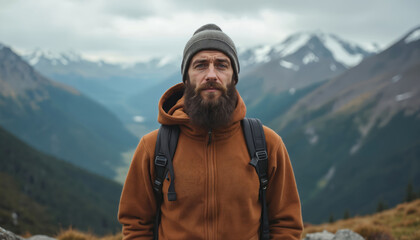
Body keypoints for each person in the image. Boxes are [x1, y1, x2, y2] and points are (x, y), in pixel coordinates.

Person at [118, 23, 303, 240]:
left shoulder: (267, 144)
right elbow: (136, 225)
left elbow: (286, 225)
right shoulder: (154, 147)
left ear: (234, 78)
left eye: (222, 65)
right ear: (186, 78)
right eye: (200, 65)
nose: (211, 75)